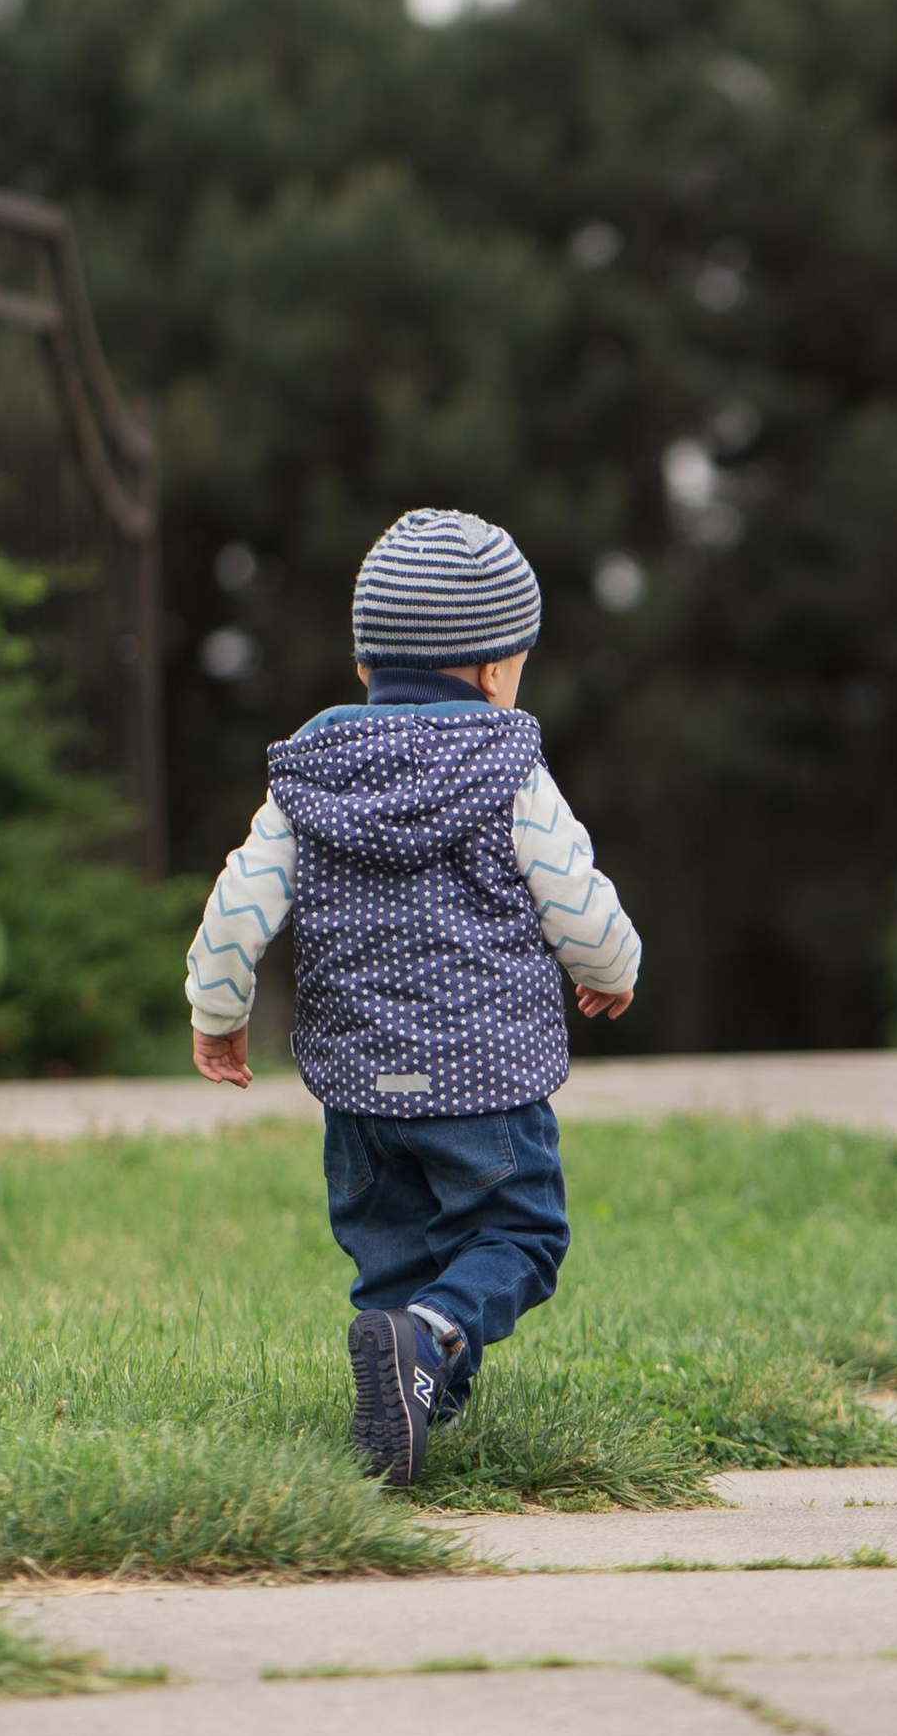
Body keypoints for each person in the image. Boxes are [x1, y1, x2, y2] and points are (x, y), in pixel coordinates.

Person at [183, 507, 641, 1484]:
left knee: (392, 1264)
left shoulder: (309, 772)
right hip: (487, 1081)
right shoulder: (507, 763)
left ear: (364, 666)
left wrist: (218, 1013)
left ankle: (405, 1391)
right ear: (492, 671)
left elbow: (238, 904)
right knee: (517, 1236)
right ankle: (428, 1342)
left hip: (358, 1091)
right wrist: (611, 971)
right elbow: (574, 893)